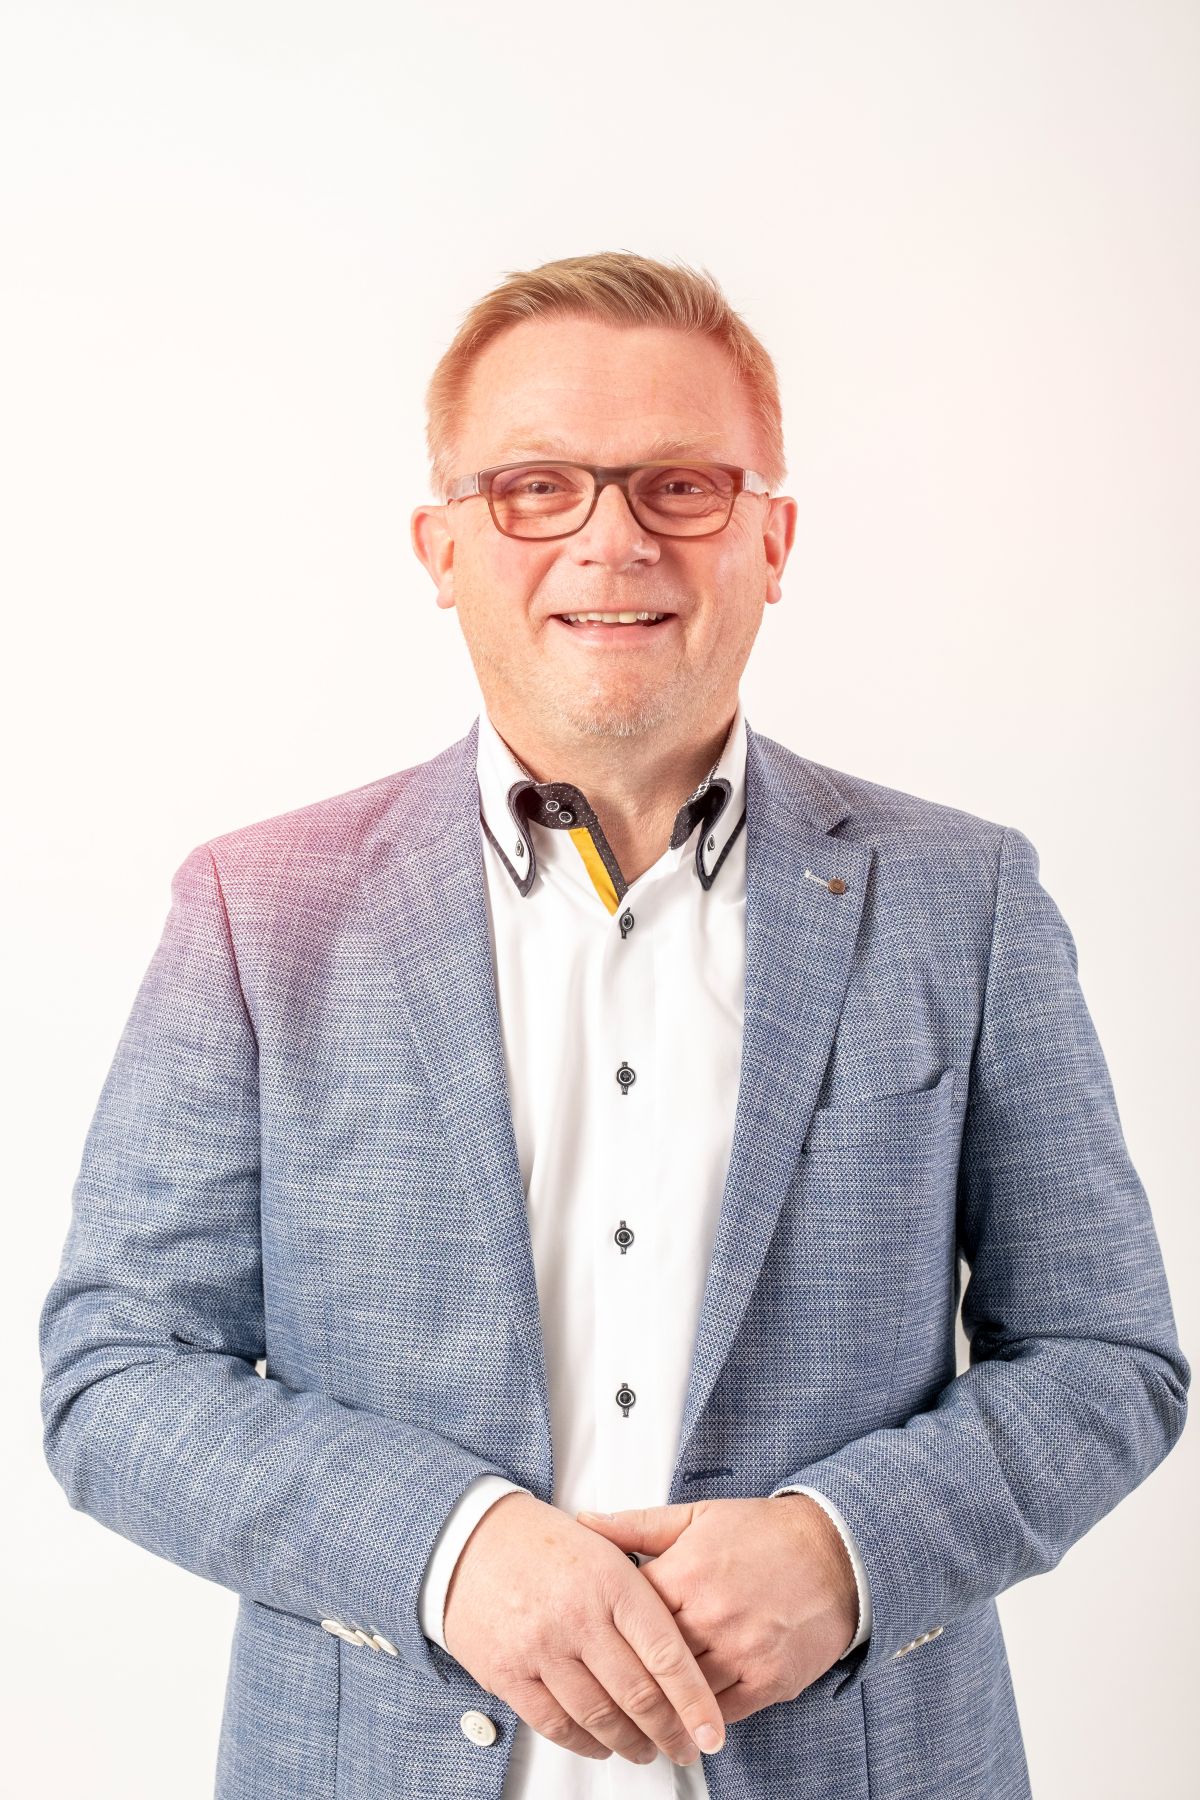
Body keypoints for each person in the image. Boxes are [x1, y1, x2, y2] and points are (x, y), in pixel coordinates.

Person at [39, 250, 1189, 1800]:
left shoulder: (961, 900)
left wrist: (845, 1552)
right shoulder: (257, 912)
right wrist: (449, 1551)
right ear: (441, 547)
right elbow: (116, 1375)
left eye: (681, 486)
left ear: (772, 540)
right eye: (535, 488)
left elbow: (1109, 1358)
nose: (612, 538)